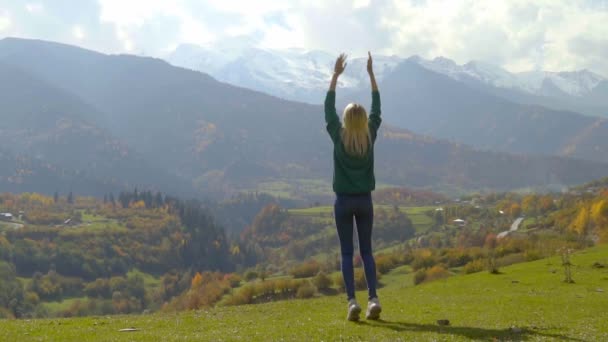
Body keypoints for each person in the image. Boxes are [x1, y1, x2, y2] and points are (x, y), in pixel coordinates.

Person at [325, 52, 382, 321]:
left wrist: (336, 75)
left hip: (343, 202)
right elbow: (377, 109)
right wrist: (371, 74)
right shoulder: (369, 137)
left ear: (346, 121)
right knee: (367, 252)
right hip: (365, 201)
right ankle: (373, 299)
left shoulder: (338, 135)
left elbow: (328, 107)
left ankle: (352, 303)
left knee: (347, 253)